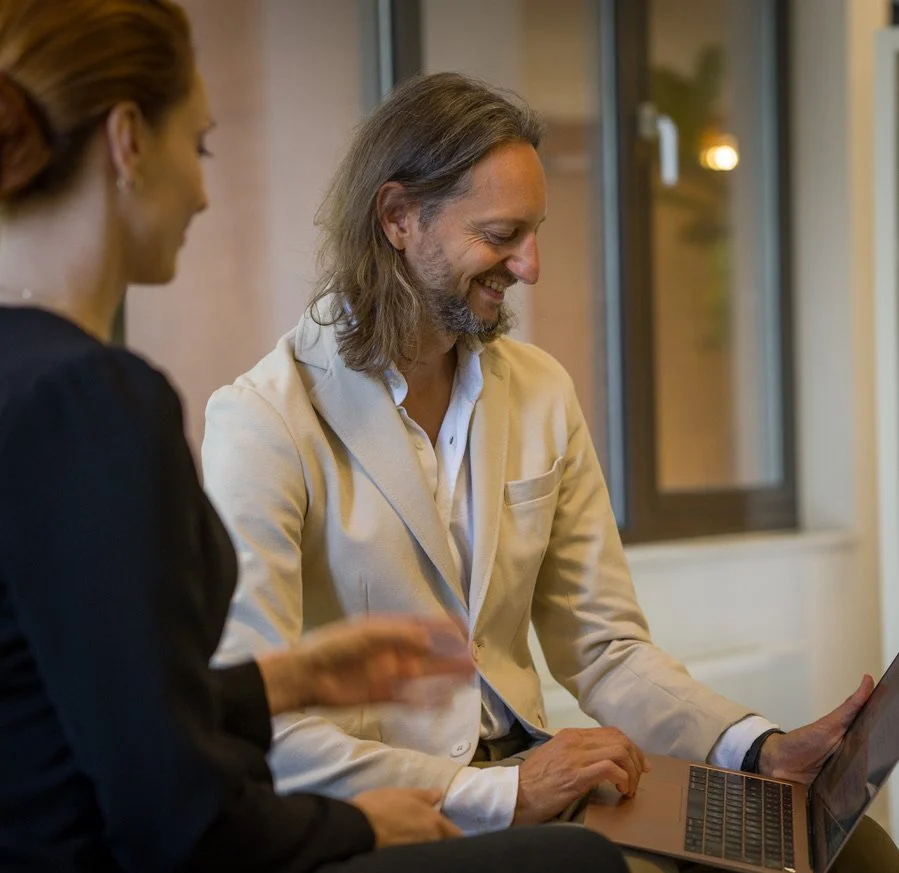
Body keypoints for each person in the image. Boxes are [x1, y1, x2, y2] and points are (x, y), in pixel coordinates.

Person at [201, 72, 899, 873]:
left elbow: (604, 648)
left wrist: (757, 749)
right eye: (502, 234)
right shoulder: (261, 421)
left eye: (533, 233)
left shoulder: (537, 389)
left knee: (850, 854)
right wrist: (506, 794)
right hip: (393, 811)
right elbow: (266, 724)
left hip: (536, 779)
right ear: (398, 218)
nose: (529, 266)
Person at [0, 4, 632, 873]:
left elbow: (98, 711)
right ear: (128, 143)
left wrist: (285, 681)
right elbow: (175, 814)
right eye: (202, 145)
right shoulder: (96, 396)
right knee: (579, 866)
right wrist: (368, 826)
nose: (204, 190)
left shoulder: (38, 383)